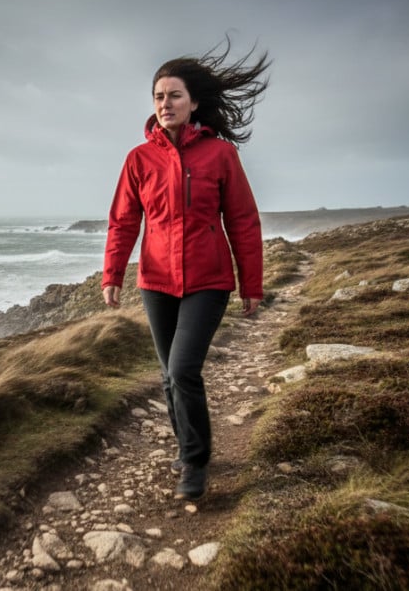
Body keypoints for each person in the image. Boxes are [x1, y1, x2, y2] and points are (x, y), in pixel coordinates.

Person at [102, 44, 268, 499]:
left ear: (193, 102)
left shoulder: (220, 155)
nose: (164, 104)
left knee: (182, 369)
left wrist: (251, 284)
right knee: (167, 374)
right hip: (156, 282)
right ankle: (187, 447)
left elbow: (243, 222)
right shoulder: (139, 159)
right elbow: (123, 221)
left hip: (208, 281)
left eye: (174, 95)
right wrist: (112, 274)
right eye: (158, 96)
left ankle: (194, 463)